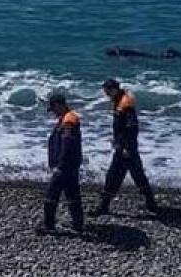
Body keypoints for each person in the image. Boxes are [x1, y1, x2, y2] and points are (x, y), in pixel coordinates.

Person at [90, 79, 159, 216]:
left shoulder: (125, 104)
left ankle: (103, 207)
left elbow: (132, 128)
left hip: (125, 148)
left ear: (114, 89)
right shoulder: (120, 100)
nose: (106, 94)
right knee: (137, 175)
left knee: (113, 176)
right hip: (126, 146)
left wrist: (126, 147)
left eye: (108, 91)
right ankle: (151, 203)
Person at [36, 94, 84, 234]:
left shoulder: (68, 120)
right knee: (72, 194)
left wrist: (60, 166)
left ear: (60, 105)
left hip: (65, 166)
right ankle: (78, 224)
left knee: (51, 195)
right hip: (71, 165)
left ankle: (49, 226)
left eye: (54, 108)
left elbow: (67, 144)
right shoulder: (68, 118)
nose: (53, 112)